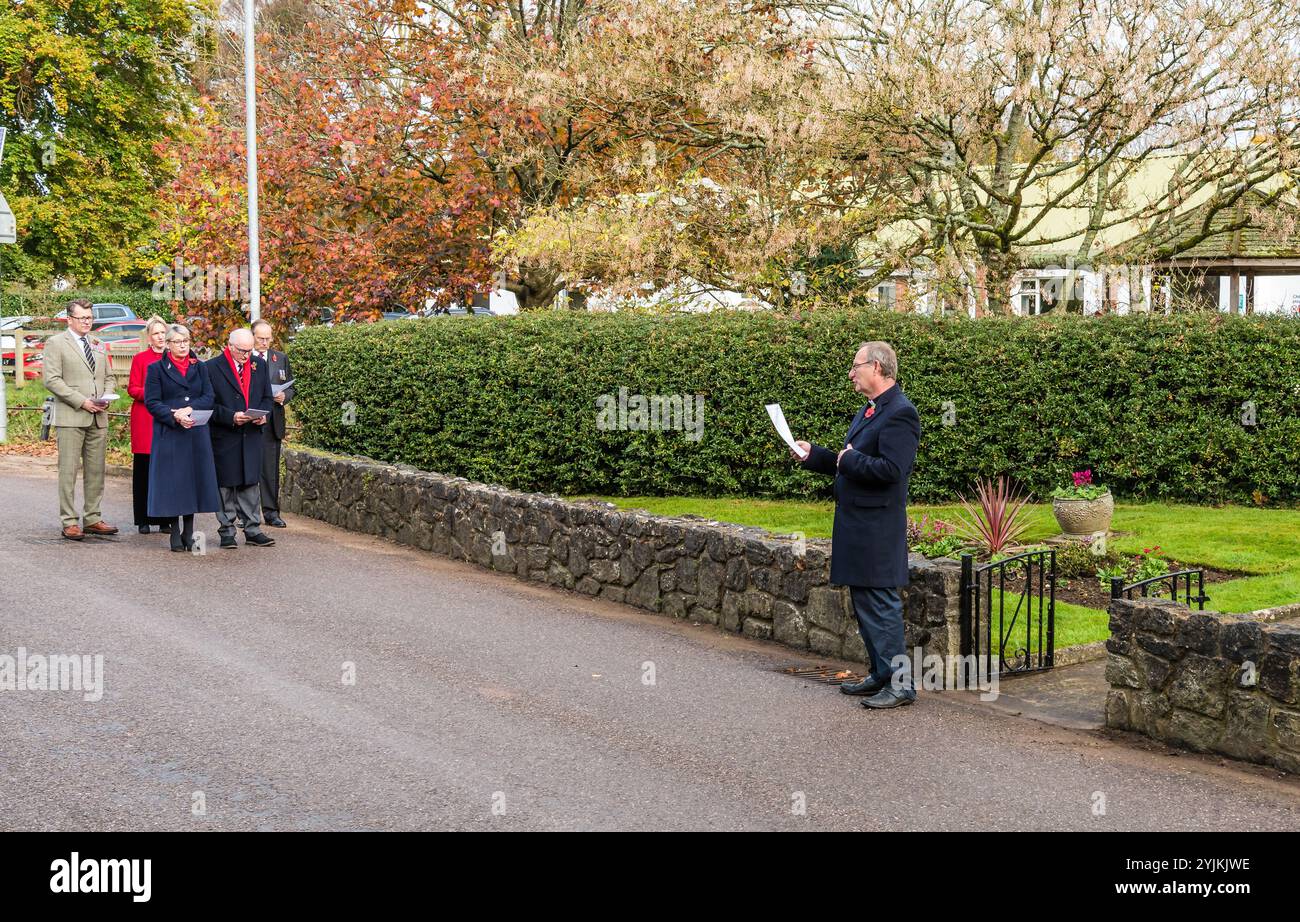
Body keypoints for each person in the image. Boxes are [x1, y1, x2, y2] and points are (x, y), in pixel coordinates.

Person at [793, 341, 921, 709]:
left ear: (878, 368)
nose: (851, 373)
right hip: (857, 524)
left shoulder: (900, 413)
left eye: (856, 366)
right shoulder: (870, 410)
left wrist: (848, 461)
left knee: (881, 603)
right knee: (865, 602)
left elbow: (893, 471)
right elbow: (850, 461)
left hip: (877, 527)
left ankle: (900, 684)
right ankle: (881, 675)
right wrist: (815, 455)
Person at [41, 298, 119, 540]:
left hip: (99, 416)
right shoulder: (56, 343)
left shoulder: (97, 343)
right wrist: (82, 401)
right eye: (82, 318)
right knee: (68, 471)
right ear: (69, 319)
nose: (87, 322)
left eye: (90, 318)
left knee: (96, 470)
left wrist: (106, 396)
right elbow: (52, 380)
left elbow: (109, 376)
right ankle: (69, 520)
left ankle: (93, 518)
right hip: (72, 416)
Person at [144, 324, 222, 552]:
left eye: (186, 341)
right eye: (178, 341)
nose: (182, 345)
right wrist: (174, 414)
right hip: (170, 433)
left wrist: (189, 409)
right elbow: (152, 401)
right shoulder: (156, 369)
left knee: (192, 481)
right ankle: (174, 531)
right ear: (168, 345)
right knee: (173, 483)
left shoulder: (200, 368)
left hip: (195, 431)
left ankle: (190, 531)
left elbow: (209, 395)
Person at [205, 328, 276, 549]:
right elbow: (207, 405)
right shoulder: (211, 368)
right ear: (230, 346)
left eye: (249, 351)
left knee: (249, 483)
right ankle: (227, 530)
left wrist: (263, 415)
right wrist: (231, 417)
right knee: (225, 485)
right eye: (242, 351)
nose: (246, 356)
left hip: (251, 433)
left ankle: (253, 529)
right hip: (225, 434)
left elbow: (267, 397)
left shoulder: (259, 365)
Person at [127, 316, 173, 535]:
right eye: (156, 333)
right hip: (145, 419)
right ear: (149, 338)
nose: (160, 337)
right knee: (144, 471)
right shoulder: (140, 359)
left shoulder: (174, 358)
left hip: (167, 419)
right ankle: (143, 519)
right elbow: (133, 389)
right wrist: (154, 395)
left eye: (163, 333)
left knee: (165, 472)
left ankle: (165, 519)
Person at [252, 319, 294, 528]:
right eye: (261, 338)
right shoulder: (245, 357)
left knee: (270, 470)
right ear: (252, 337)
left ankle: (271, 513)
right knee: (248, 469)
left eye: (268, 338)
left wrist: (284, 396)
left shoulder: (280, 358)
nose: (265, 342)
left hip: (273, 421)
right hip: (250, 420)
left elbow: (292, 387)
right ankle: (247, 515)